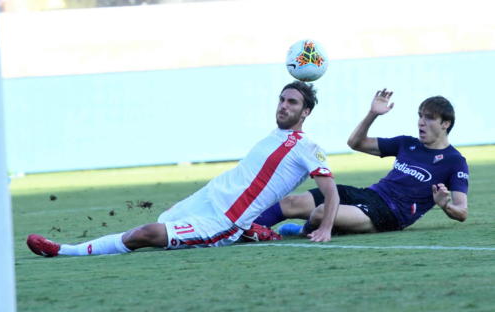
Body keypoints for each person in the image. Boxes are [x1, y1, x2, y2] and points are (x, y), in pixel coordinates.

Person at [27, 81, 340, 258]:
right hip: (207, 198)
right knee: (160, 222)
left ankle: (64, 251)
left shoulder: (307, 147)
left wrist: (325, 228)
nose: (284, 106)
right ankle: (251, 232)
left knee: (146, 234)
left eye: (293, 103)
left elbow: (331, 192)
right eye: (282, 100)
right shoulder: (273, 136)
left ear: (306, 112)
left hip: (222, 220)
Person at [254, 89, 469, 237]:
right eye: (420, 116)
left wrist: (445, 205)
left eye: (429, 118)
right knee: (291, 202)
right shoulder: (407, 144)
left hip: (387, 215)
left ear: (445, 123)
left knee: (321, 212)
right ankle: (243, 231)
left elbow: (462, 212)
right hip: (369, 195)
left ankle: (302, 231)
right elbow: (356, 143)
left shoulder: (455, 161)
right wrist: (373, 114)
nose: (421, 122)